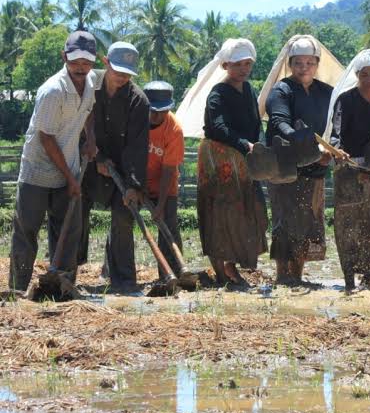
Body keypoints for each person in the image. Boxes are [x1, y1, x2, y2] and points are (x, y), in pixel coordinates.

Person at [9, 31, 98, 292]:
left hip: (68, 166)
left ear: (93, 62)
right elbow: (46, 138)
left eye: (86, 62)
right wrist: (71, 179)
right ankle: (18, 291)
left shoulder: (91, 82)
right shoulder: (52, 91)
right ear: (64, 57)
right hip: (37, 171)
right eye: (75, 61)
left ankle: (62, 287)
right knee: (27, 231)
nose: (80, 68)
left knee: (69, 231)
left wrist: (90, 137)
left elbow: (89, 111)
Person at [260, 35, 344, 286]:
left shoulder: (327, 93)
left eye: (309, 63)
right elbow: (279, 121)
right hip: (285, 167)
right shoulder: (281, 90)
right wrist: (300, 139)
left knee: (307, 219)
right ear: (290, 64)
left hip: (315, 167)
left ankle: (296, 274)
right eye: (298, 63)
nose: (304, 68)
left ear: (317, 64)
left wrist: (329, 150)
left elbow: (335, 126)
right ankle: (283, 275)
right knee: (286, 220)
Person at [193, 39, 268, 285]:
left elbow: (256, 123)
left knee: (246, 211)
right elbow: (218, 127)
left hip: (242, 159)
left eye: (247, 64)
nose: (244, 69)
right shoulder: (218, 93)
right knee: (219, 214)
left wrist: (258, 144)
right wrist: (244, 144)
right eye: (238, 64)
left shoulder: (249, 91)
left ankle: (231, 266)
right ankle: (220, 271)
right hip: (219, 160)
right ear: (226, 66)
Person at [80, 41, 149, 292]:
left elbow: (137, 146)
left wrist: (133, 185)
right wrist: (95, 157)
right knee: (75, 211)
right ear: (106, 63)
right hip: (86, 162)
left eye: (127, 74)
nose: (122, 77)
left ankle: (124, 280)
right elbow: (75, 123)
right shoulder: (87, 86)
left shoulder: (138, 101)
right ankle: (66, 271)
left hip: (122, 168)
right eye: (117, 70)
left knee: (123, 217)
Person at [325, 48, 370, 293]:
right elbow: (336, 132)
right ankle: (348, 278)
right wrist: (337, 150)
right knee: (347, 223)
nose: (369, 79)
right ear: (357, 75)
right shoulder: (346, 99)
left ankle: (369, 277)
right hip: (348, 167)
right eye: (365, 74)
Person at [142, 81, 185, 281]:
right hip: (137, 180)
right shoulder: (135, 120)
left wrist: (160, 205)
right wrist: (134, 186)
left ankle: (174, 274)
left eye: (161, 112)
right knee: (121, 219)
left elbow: (169, 170)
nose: (156, 116)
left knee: (168, 224)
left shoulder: (174, 130)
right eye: (152, 111)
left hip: (165, 184)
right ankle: (117, 273)